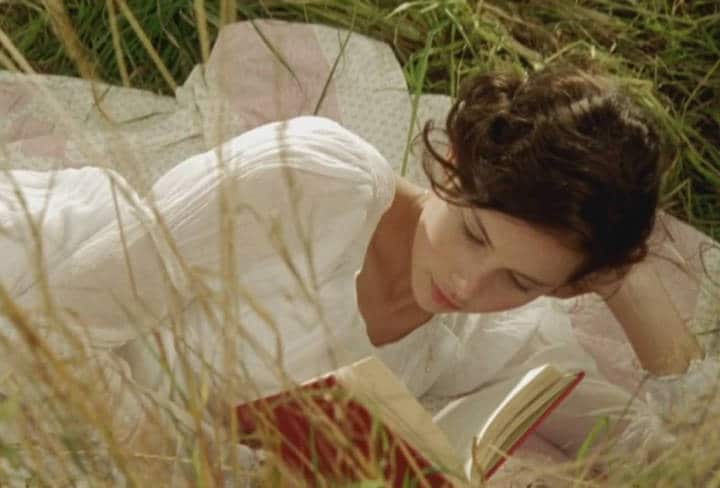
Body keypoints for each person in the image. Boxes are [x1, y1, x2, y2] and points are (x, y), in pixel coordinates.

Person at [0, 63, 712, 478]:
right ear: (454, 162)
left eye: (520, 282)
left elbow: (683, 456)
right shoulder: (314, 178)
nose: (470, 286)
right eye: (472, 235)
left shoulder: (483, 341)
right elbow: (39, 333)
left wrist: (623, 276)